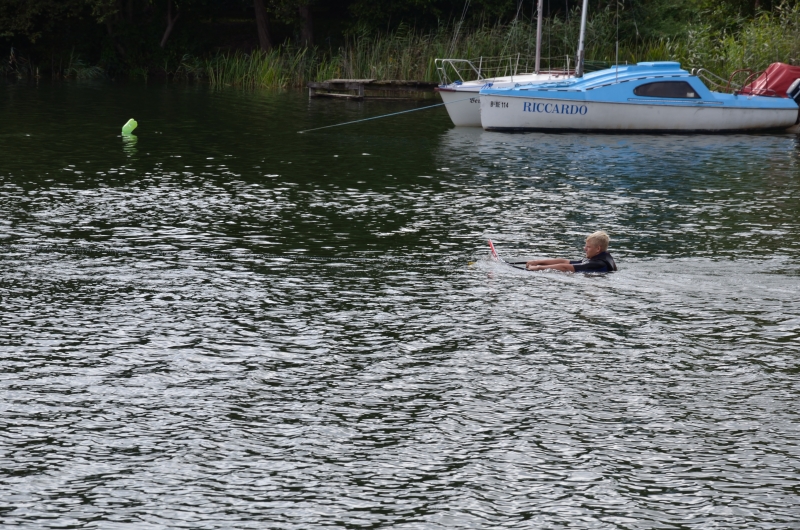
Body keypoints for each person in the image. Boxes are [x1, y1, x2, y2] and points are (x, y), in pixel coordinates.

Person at [526, 231, 617, 273]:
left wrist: (538, 268)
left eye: (588, 247)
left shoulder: (598, 264)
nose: (585, 248)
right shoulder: (599, 257)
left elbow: (565, 267)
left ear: (598, 249)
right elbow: (565, 262)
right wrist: (537, 262)